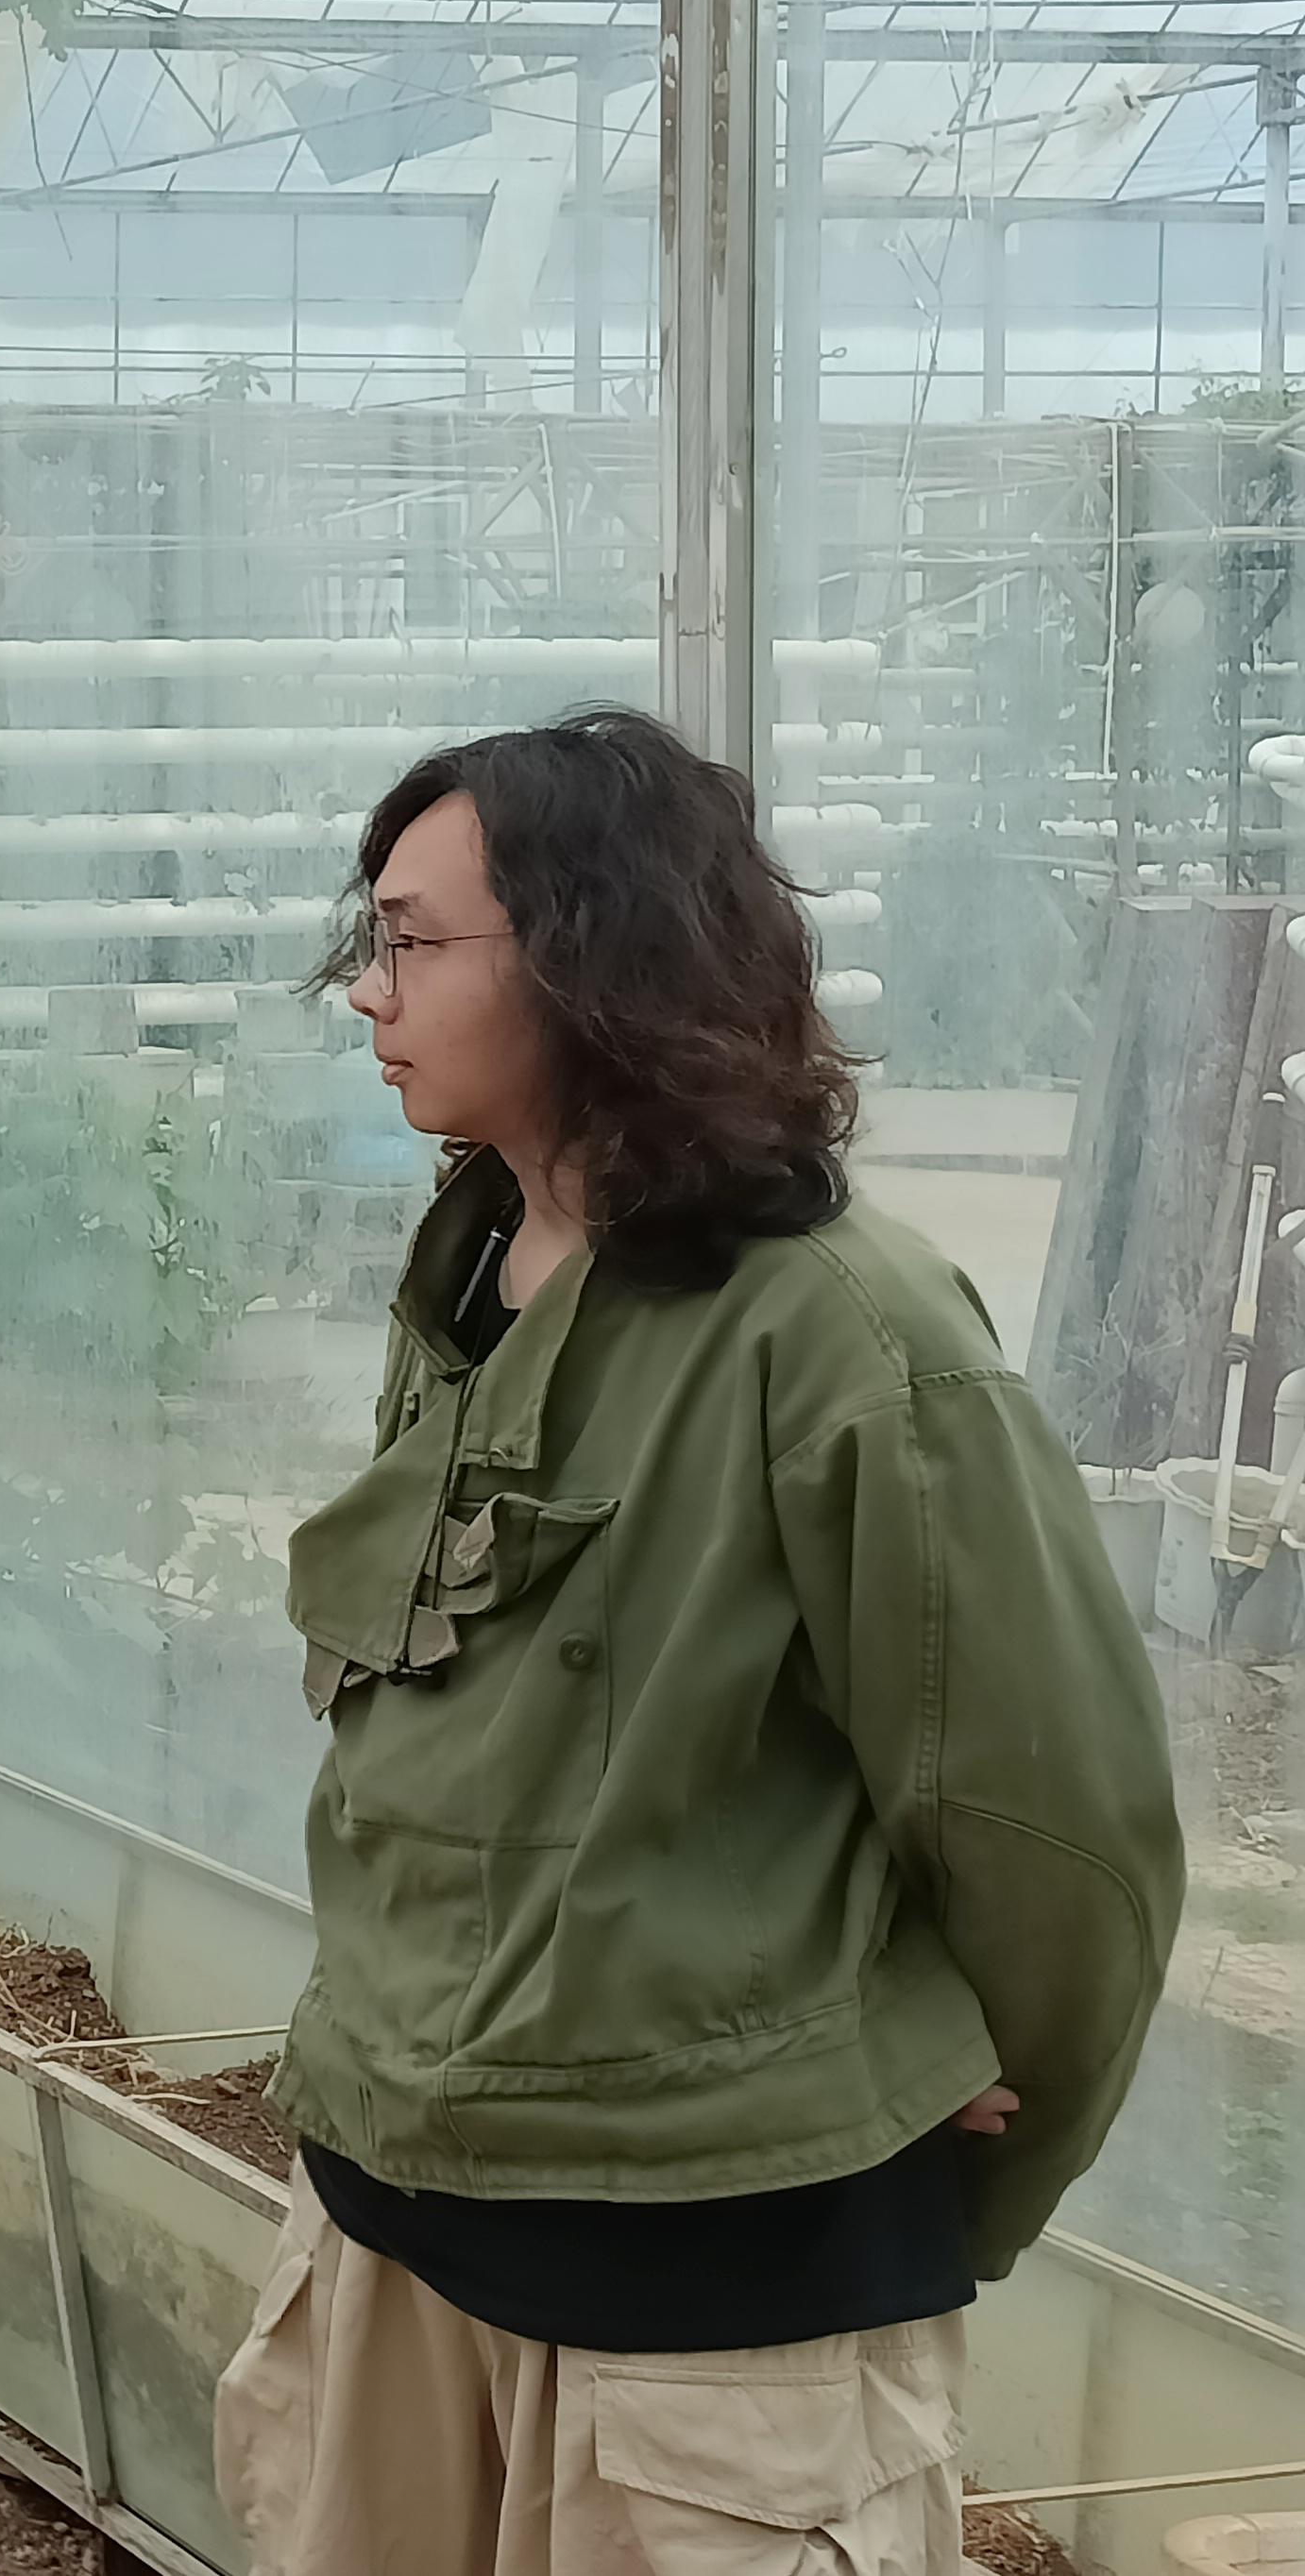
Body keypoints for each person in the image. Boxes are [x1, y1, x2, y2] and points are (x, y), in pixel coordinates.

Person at [218, 709, 1185, 2576]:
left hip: (713, 2316)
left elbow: (1056, 1835)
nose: (363, 989)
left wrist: (907, 2105)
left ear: (591, 952)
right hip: (387, 2221)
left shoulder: (842, 1334)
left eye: (413, 940)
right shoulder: (473, 1269)